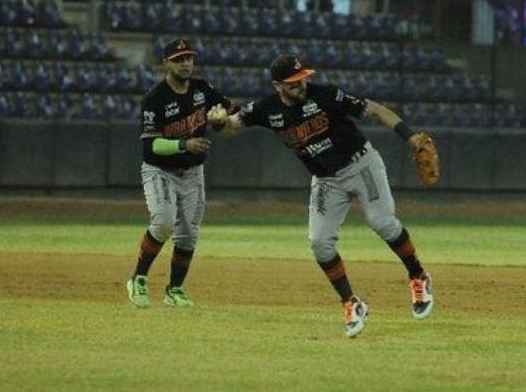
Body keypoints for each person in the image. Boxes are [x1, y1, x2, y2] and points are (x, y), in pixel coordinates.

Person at [207, 54, 434, 338]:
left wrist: (410, 136)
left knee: (382, 222)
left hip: (361, 165)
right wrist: (217, 123)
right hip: (327, 180)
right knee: (319, 243)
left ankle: (418, 276)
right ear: (277, 85)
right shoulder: (266, 108)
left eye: (303, 78)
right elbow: (230, 127)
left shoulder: (326, 96)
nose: (301, 85)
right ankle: (351, 303)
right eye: (292, 83)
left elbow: (374, 110)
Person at [126, 38, 235, 308]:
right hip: (160, 170)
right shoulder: (155, 99)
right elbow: (152, 144)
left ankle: (174, 290)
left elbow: (226, 113)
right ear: (166, 63)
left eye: (189, 58)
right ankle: (138, 278)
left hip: (193, 171)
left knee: (188, 233)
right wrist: (184, 144)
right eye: (179, 59)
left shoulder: (202, 89)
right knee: (163, 222)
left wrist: (221, 120)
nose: (186, 63)